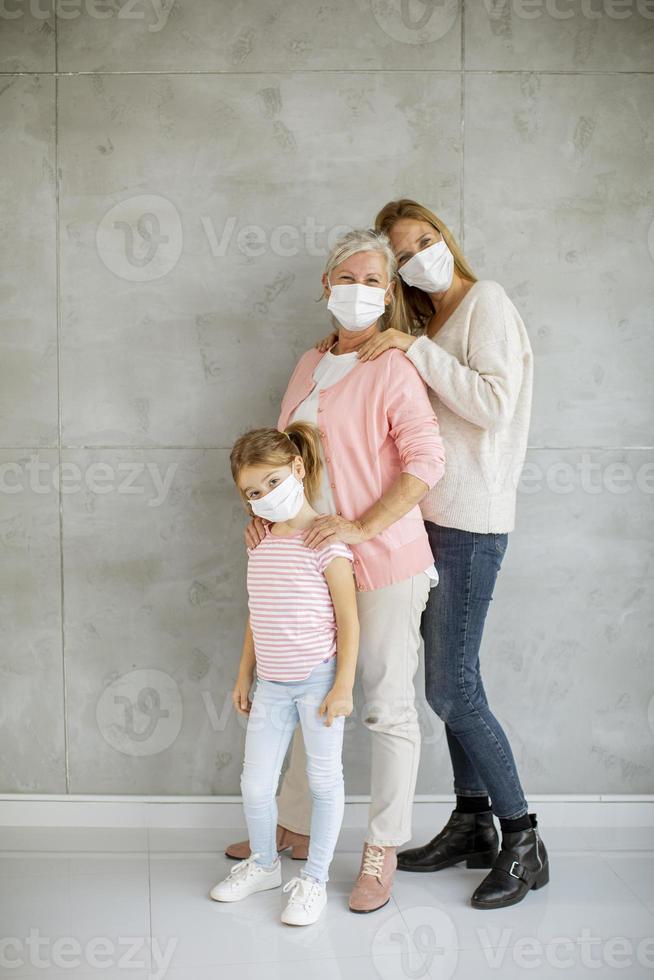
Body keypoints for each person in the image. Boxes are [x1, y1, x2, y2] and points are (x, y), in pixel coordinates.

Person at [325, 198, 548, 910]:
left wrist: (413, 350)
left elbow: (493, 405)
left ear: (445, 238)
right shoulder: (430, 322)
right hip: (428, 527)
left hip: (473, 525)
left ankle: (522, 837)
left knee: (452, 688)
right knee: (451, 680)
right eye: (406, 249)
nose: (423, 253)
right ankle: (470, 821)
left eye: (428, 239)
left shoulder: (486, 301)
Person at [225, 229, 446, 914]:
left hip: (383, 560)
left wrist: (363, 526)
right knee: (301, 682)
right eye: (346, 277)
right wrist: (272, 516)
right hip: (309, 562)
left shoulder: (391, 366)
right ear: (325, 286)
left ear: (388, 293)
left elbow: (426, 462)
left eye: (374, 280)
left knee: (381, 703)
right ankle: (290, 825)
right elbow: (288, 458)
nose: (359, 289)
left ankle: (381, 844)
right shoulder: (308, 363)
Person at [210, 422, 359, 926]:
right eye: (253, 493)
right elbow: (258, 613)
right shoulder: (260, 542)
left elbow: (349, 622)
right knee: (255, 786)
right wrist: (241, 676)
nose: (264, 497)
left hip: (318, 682)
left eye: (272, 483)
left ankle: (314, 878)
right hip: (271, 685)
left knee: (323, 780)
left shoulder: (327, 544)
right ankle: (265, 864)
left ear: (297, 468)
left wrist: (343, 686)